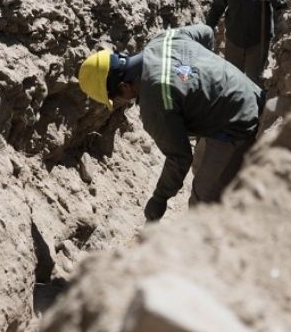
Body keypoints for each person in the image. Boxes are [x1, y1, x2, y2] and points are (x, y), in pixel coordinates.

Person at [77, 24, 264, 222]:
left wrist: (159, 199)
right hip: (249, 93)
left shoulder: (154, 101)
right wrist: (205, 84)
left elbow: (179, 158)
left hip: (239, 124)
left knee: (201, 205)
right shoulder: (164, 39)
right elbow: (207, 32)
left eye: (117, 98)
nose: (122, 103)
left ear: (124, 86)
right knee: (199, 165)